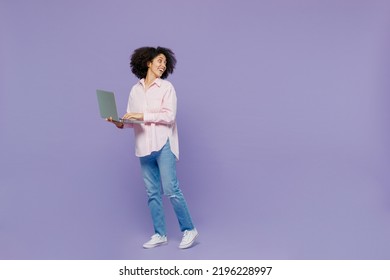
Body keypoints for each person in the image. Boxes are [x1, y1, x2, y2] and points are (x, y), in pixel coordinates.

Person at [107, 46, 198, 249]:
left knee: (171, 189)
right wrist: (120, 122)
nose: (163, 65)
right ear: (148, 62)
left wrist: (142, 115)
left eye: (165, 62)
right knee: (152, 193)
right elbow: (132, 120)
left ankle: (189, 229)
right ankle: (160, 234)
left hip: (163, 142)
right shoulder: (135, 90)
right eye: (159, 61)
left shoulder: (167, 88)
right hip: (143, 146)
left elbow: (169, 116)